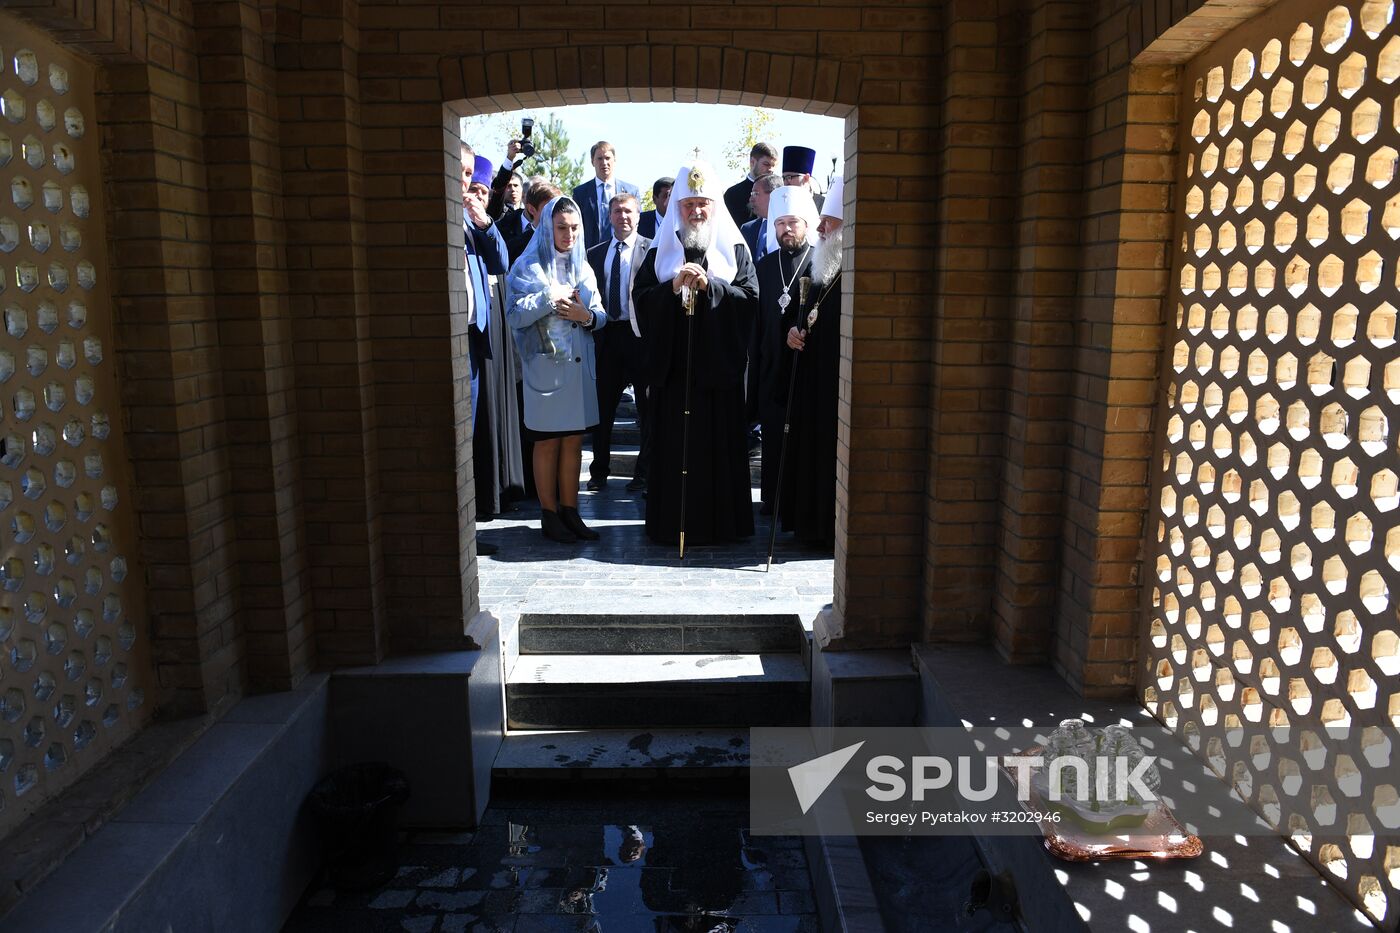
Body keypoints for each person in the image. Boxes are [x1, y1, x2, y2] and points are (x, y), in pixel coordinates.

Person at [633, 158, 759, 548]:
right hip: (674, 376)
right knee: (672, 451)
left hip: (716, 379)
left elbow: (751, 301)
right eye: (689, 205)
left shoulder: (734, 250)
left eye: (703, 203)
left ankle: (720, 528)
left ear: (715, 206)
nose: (697, 211)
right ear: (677, 209)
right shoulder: (660, 254)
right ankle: (670, 525)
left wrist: (713, 288)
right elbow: (639, 299)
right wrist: (670, 291)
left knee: (717, 454)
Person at [506, 197, 607, 543]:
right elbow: (514, 315)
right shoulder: (527, 265)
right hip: (545, 368)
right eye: (561, 227)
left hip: (578, 368)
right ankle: (549, 514)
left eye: (574, 228)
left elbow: (600, 314)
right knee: (548, 441)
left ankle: (571, 510)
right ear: (548, 227)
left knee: (574, 442)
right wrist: (547, 300)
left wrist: (588, 317)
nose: (568, 234)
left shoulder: (584, 265)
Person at [779, 175, 845, 549]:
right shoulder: (821, 270)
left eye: (828, 222)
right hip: (811, 384)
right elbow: (803, 316)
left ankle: (827, 530)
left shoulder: (853, 273)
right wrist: (792, 332)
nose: (820, 228)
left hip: (837, 385)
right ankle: (808, 525)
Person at [750, 185, 819, 515]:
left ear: (806, 224)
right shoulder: (763, 266)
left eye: (792, 222)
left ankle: (794, 499)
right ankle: (772, 497)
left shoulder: (818, 264)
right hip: (770, 363)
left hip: (803, 365)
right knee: (773, 434)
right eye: (780, 223)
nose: (786, 229)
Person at [462, 148, 512, 554]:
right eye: (463, 177)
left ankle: (468, 530)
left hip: (473, 340)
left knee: (472, 437)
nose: (469, 189)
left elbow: (500, 261)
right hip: (450, 340)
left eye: (475, 182)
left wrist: (486, 221)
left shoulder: (473, 219)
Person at [586, 192, 653, 493]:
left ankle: (644, 473)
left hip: (640, 337)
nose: (623, 216)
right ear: (609, 215)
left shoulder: (652, 250)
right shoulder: (595, 253)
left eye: (628, 211)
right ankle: (599, 471)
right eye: (617, 211)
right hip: (606, 337)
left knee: (647, 410)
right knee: (603, 410)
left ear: (638, 215)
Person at [572, 141, 641, 250]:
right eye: (599, 158)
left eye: (608, 158)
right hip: (590, 254)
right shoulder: (580, 193)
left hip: (624, 252)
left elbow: (637, 224)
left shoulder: (631, 191)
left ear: (614, 160)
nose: (604, 162)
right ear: (592, 161)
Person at [723, 142, 778, 227]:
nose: (771, 169)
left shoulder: (777, 193)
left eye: (773, 165)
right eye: (766, 164)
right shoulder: (732, 194)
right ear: (752, 162)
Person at [739, 173, 783, 264]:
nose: (751, 199)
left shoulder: (788, 229)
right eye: (752, 194)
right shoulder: (747, 228)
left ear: (773, 194)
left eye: (755, 194)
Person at [781, 144, 825, 212]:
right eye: (784, 178)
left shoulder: (823, 205)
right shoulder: (782, 204)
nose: (786, 182)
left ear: (806, 178)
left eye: (789, 177)